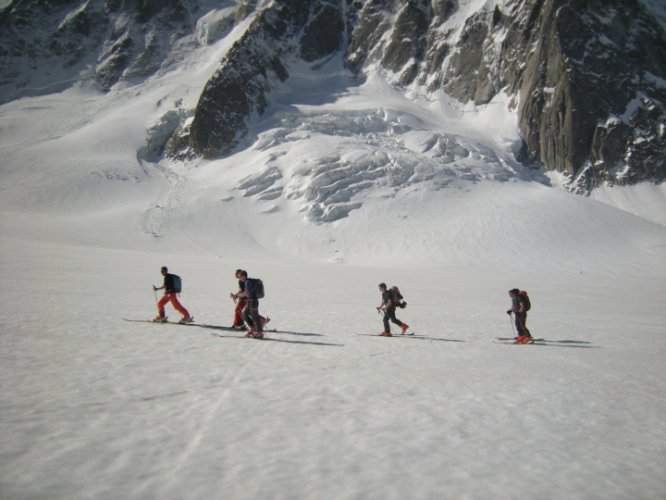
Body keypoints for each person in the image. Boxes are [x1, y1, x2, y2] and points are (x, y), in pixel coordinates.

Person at [237, 270, 264, 339]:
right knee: (245, 314)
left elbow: (246, 293)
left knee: (255, 317)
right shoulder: (247, 282)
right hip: (250, 302)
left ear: (244, 276)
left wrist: (238, 296)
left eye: (240, 277)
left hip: (253, 302)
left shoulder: (248, 282)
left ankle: (260, 333)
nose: (239, 278)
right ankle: (253, 328)